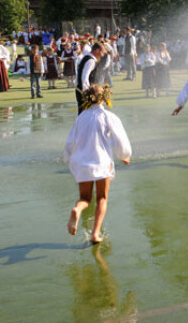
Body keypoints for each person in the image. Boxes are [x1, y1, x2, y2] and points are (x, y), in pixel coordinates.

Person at [64, 84, 131, 244]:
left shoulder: (81, 117)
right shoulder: (108, 116)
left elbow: (70, 141)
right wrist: (124, 155)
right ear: (105, 98)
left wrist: (68, 159)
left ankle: (77, 209)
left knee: (85, 198)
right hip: (101, 161)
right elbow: (119, 138)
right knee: (102, 198)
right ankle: (95, 233)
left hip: (81, 161)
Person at [76, 42, 105, 114]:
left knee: (84, 114)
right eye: (102, 52)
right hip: (86, 93)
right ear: (97, 50)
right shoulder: (91, 60)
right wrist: (87, 93)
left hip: (81, 90)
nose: (102, 55)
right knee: (86, 115)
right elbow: (84, 77)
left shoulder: (86, 58)